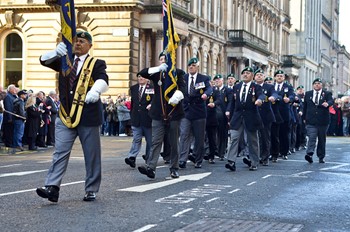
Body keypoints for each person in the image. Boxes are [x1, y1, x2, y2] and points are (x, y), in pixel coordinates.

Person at [36, 31, 109, 202]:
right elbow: (42, 60)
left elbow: (103, 79)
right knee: (60, 152)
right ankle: (52, 187)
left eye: (82, 41)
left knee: (91, 154)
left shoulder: (96, 63)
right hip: (65, 115)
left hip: (87, 116)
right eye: (75, 41)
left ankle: (91, 189)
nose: (77, 44)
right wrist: (55, 52)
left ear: (89, 45)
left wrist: (96, 90)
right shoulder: (65, 60)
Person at [137, 54, 186, 179]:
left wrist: (178, 95)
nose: (163, 61)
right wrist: (157, 68)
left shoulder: (178, 73)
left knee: (174, 142)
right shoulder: (157, 74)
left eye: (165, 60)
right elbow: (142, 72)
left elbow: (183, 88)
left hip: (173, 112)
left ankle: (174, 168)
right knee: (156, 141)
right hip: (158, 113)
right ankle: (151, 167)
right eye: (161, 60)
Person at [225, 66, 264, 171]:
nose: (245, 75)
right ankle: (231, 161)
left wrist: (259, 100)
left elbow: (261, 95)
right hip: (237, 117)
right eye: (244, 73)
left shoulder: (256, 87)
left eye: (248, 73)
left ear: (252, 75)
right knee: (234, 138)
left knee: (252, 140)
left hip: (251, 116)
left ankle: (254, 161)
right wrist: (229, 113)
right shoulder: (237, 87)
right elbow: (232, 102)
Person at [125, 73, 153, 168]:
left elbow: (156, 100)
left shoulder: (152, 87)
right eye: (139, 77)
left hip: (148, 118)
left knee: (150, 141)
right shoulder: (133, 88)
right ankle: (132, 157)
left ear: (147, 79)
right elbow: (133, 103)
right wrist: (131, 115)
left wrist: (152, 105)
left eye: (143, 76)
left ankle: (149, 160)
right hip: (136, 118)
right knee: (136, 139)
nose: (141, 78)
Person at [303, 78, 333, 164]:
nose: (317, 85)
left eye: (318, 83)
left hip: (323, 120)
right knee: (311, 137)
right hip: (311, 120)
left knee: (321, 139)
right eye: (315, 83)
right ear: (313, 85)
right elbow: (305, 106)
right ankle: (309, 154)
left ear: (321, 85)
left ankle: (321, 156)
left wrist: (328, 104)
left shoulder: (326, 93)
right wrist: (304, 118)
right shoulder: (308, 94)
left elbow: (331, 101)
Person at [252, 69, 278, 166]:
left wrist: (273, 97)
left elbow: (275, 93)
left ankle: (265, 157)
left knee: (265, 137)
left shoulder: (269, 86)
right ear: (254, 77)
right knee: (254, 137)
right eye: (257, 75)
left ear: (264, 77)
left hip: (265, 116)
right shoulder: (252, 86)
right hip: (253, 115)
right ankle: (254, 156)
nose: (259, 76)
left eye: (261, 75)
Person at [270, 70, 295, 162]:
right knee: (274, 134)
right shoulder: (271, 87)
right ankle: (274, 153)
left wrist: (289, 99)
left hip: (284, 112)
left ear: (284, 78)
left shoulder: (288, 87)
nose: (279, 77)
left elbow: (292, 95)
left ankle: (284, 152)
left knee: (284, 133)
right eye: (278, 76)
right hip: (273, 112)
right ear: (275, 77)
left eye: (281, 76)